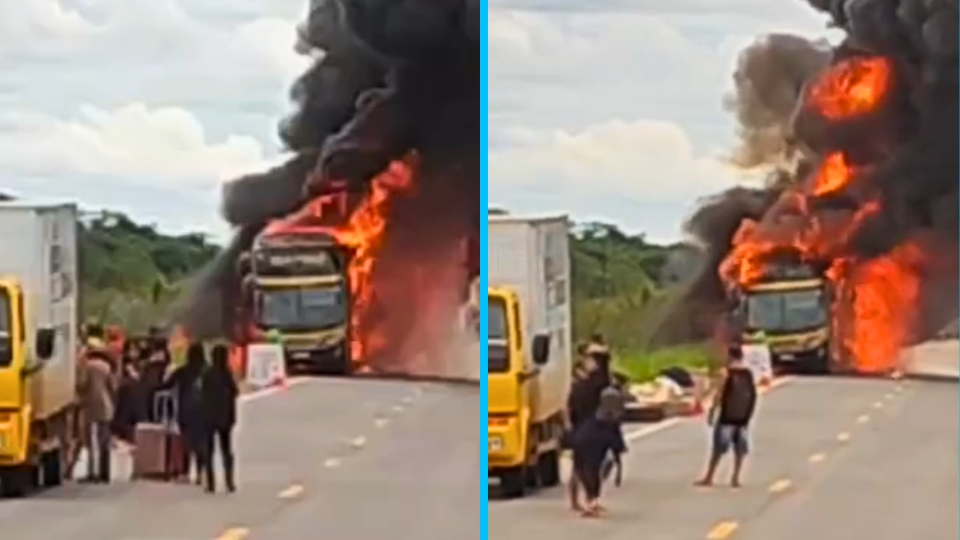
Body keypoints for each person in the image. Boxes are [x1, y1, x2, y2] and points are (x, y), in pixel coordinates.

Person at [695, 346, 758, 488]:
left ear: (730, 356)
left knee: (718, 449)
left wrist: (712, 411)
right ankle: (735, 478)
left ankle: (709, 477)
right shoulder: (748, 374)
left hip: (727, 416)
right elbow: (753, 395)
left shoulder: (726, 373)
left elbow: (719, 394)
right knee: (739, 449)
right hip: (742, 417)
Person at [569, 385, 627, 517]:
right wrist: (619, 452)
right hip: (591, 445)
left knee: (582, 470)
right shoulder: (610, 421)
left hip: (580, 439)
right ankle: (591, 502)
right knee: (591, 471)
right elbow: (615, 440)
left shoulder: (596, 416)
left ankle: (589, 500)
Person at [162, 343, 208, 484]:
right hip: (203, 411)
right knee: (201, 442)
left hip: (185, 411)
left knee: (186, 442)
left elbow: (166, 384)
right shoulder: (207, 371)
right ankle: (201, 473)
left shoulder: (182, 371)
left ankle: (185, 472)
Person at [76, 332, 117, 484]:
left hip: (91, 407)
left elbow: (82, 384)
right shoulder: (106, 367)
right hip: (107, 407)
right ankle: (104, 473)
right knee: (104, 442)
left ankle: (93, 472)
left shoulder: (87, 366)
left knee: (92, 442)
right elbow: (113, 387)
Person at [200, 344, 240, 493]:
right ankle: (229, 482)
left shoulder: (207, 374)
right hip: (226, 419)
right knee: (226, 450)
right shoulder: (226, 374)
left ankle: (210, 484)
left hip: (209, 417)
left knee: (209, 451)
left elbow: (202, 393)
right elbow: (235, 392)